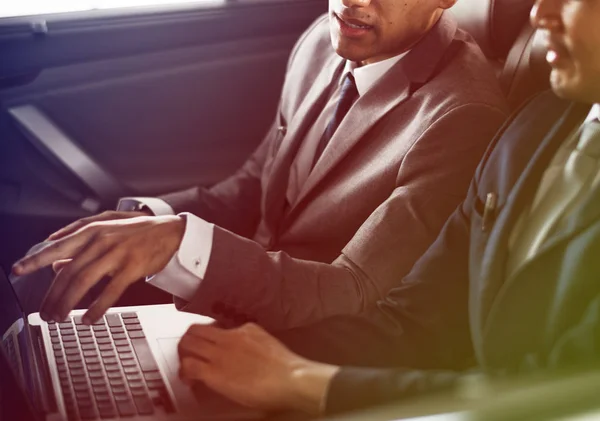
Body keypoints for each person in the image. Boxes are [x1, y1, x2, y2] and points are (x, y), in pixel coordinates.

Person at [173, 0, 600, 416]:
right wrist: (239, 353)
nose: (537, 13)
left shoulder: (469, 114)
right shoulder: (535, 128)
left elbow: (562, 395)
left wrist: (301, 381)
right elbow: (413, 321)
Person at [11, 0, 508, 330]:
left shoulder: (463, 117)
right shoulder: (326, 37)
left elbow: (355, 294)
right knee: (31, 298)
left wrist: (179, 245)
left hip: (307, 349)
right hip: (242, 305)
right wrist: (152, 222)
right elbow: (256, 187)